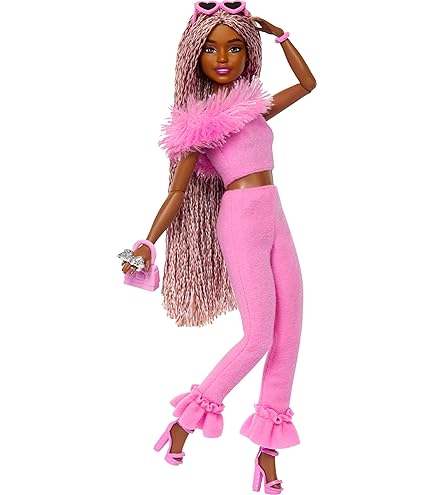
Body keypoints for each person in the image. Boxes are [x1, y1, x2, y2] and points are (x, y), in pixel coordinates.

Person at [120, 3, 316, 493]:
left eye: (234, 47)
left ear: (248, 53)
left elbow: (308, 84)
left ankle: (267, 453)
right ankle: (185, 421)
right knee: (257, 338)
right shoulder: (197, 124)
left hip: (275, 212)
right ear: (194, 54)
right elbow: (177, 192)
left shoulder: (253, 105)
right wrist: (146, 243)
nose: (223, 57)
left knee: (289, 331)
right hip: (241, 219)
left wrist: (280, 35)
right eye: (211, 48)